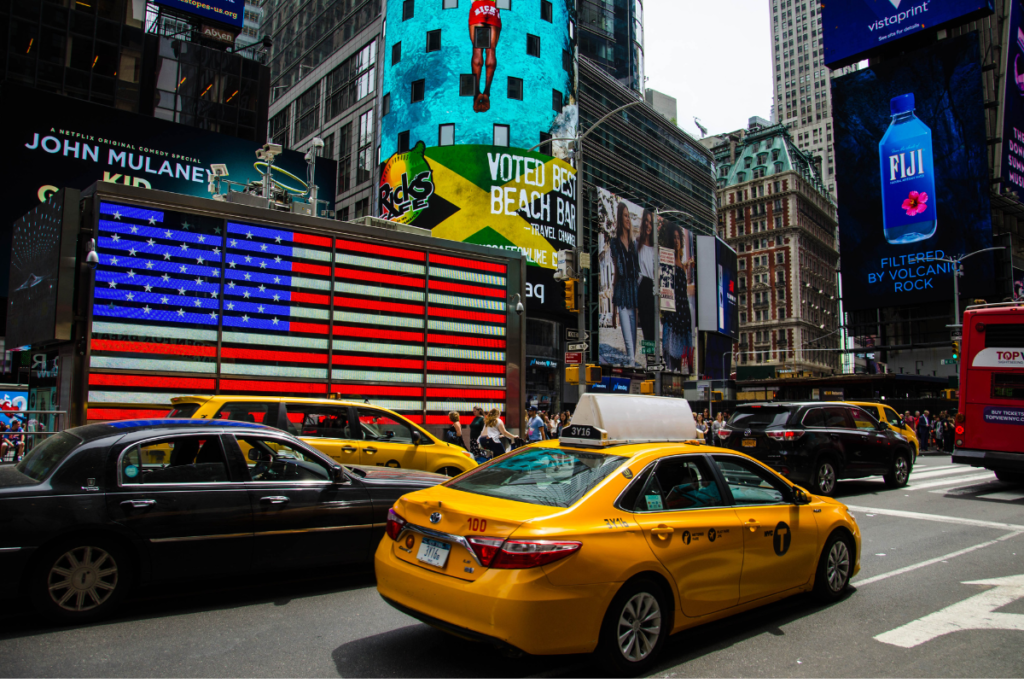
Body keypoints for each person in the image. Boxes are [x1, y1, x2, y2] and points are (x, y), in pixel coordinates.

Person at [660, 224, 694, 373]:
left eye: (678, 237)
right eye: (673, 238)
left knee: (682, 357)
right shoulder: (668, 262)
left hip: (683, 312)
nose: (676, 240)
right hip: (672, 313)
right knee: (671, 353)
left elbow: (684, 291)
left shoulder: (682, 264)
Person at [610, 203, 640, 366]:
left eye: (629, 216)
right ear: (620, 218)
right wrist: (614, 310)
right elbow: (615, 272)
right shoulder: (615, 243)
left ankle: (632, 367)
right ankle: (631, 365)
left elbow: (638, 273)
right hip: (622, 295)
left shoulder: (634, 245)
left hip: (633, 295)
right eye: (626, 216)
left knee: (634, 344)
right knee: (628, 343)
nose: (628, 219)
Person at [468, 0, 502, 112]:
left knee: (477, 50)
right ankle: (487, 91)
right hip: (493, 9)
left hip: (478, 8)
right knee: (491, 50)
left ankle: (476, 92)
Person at [636, 208, 658, 350]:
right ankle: (650, 360)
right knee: (646, 328)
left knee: (654, 329)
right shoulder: (637, 244)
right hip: (643, 286)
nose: (649, 225)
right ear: (643, 222)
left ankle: (654, 362)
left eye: (651, 222)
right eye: (647, 221)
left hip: (655, 288)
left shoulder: (657, 248)